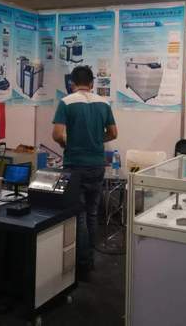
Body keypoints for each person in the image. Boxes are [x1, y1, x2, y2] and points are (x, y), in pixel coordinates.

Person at [52, 66, 118, 276]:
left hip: (75, 165)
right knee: (92, 213)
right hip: (97, 165)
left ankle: (81, 264)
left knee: (79, 215)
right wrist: (97, 140)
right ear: (92, 84)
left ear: (72, 83)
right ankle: (90, 259)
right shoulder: (104, 103)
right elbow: (113, 133)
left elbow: (57, 134)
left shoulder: (66, 102)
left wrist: (67, 143)